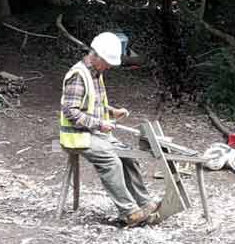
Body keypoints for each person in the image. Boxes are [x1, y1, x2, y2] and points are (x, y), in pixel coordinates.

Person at [60, 32, 160, 227]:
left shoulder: (96, 73)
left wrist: (112, 112)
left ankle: (144, 202)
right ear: (94, 55)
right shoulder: (78, 76)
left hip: (96, 133)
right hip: (77, 136)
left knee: (128, 156)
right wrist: (99, 124)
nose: (108, 67)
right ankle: (129, 212)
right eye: (106, 62)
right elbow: (71, 111)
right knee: (110, 160)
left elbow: (93, 103)